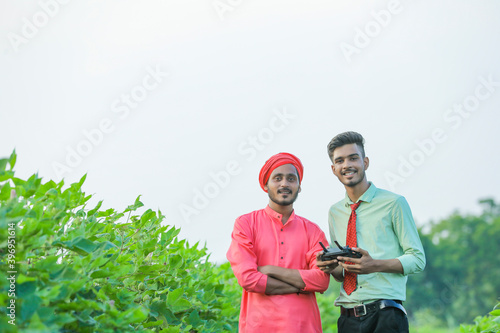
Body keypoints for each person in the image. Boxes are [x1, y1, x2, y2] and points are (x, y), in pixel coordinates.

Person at [316, 131, 426, 333]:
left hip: (386, 316)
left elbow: (417, 259)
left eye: (353, 158)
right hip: (347, 317)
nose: (347, 165)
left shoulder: (394, 203)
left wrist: (374, 264)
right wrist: (330, 266)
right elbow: (343, 273)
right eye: (340, 161)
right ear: (334, 169)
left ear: (365, 162)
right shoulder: (335, 212)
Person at [227, 152, 330, 333]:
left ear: (299, 186)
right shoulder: (246, 224)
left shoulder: (313, 231)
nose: (284, 184)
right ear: (265, 184)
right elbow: (248, 279)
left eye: (291, 178)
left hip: (304, 327)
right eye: (278, 178)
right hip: (258, 327)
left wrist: (270, 270)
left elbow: (321, 281)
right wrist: (300, 287)